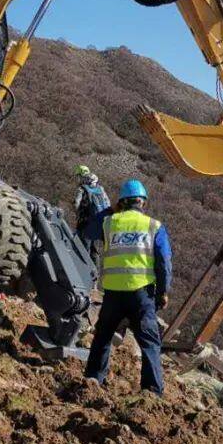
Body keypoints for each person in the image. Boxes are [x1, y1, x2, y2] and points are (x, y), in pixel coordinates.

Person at [82, 178, 171, 395]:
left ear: (121, 202)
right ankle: (151, 392)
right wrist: (163, 292)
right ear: (143, 203)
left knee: (103, 337)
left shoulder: (110, 223)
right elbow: (164, 262)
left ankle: (93, 380)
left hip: (113, 294)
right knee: (149, 343)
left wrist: (109, 210)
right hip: (141, 294)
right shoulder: (154, 226)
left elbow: (87, 231)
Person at [73, 165, 110, 264]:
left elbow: (76, 204)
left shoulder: (82, 189)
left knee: (83, 249)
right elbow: (108, 204)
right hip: (98, 224)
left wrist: (78, 214)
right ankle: (95, 275)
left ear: (81, 176)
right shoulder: (100, 188)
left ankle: (83, 273)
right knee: (95, 251)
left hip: (85, 224)